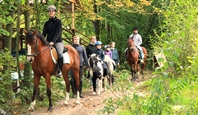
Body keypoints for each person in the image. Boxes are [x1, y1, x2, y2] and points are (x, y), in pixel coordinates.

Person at [42, 5, 65, 77]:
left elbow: (58, 33)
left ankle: (60, 71)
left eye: (52, 11)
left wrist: (53, 41)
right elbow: (44, 33)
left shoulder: (58, 22)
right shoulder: (46, 23)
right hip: (48, 42)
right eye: (49, 11)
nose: (51, 13)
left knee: (60, 54)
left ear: (54, 12)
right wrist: (42, 41)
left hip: (57, 42)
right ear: (48, 13)